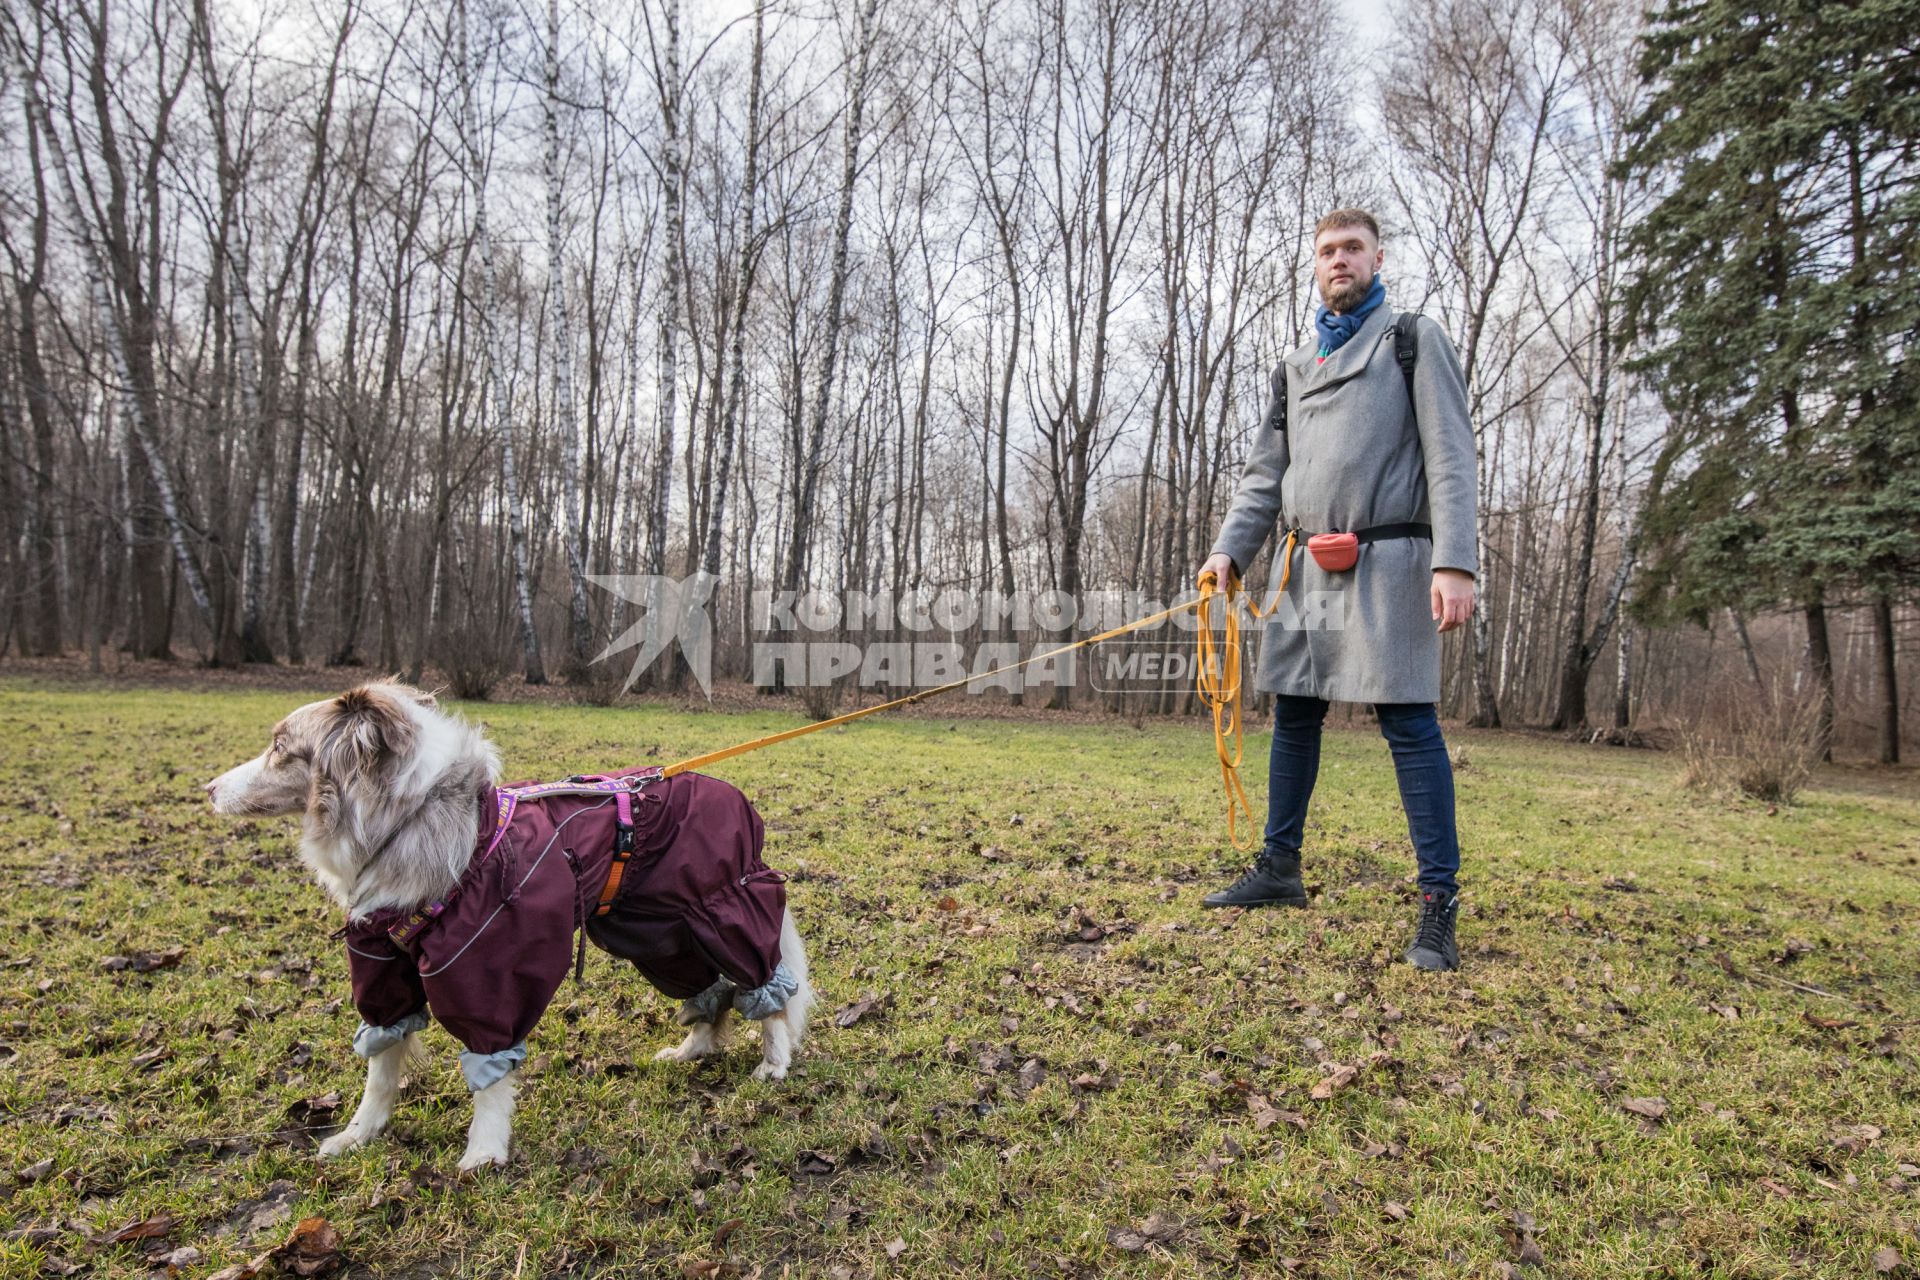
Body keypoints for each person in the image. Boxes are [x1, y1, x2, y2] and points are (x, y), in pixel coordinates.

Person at [1195, 208, 1478, 972]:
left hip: (1393, 560)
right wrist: (1230, 550)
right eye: (1326, 251)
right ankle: (1279, 869)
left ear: (1377, 257)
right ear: (1314, 265)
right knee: (1295, 712)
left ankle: (1438, 905)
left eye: (1351, 248)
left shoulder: (1413, 341)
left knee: (1409, 723)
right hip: (1303, 568)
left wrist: (1457, 563)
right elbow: (1265, 476)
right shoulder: (1295, 366)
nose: (1338, 260)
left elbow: (1452, 454)